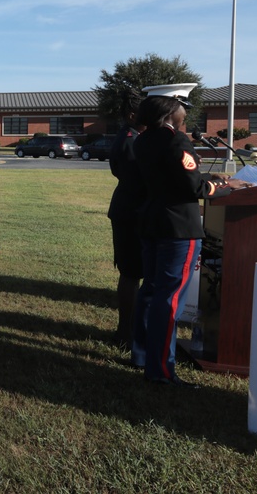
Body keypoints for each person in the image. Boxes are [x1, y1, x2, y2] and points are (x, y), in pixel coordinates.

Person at [131, 83, 247, 386]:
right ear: (172, 109)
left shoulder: (144, 140)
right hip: (178, 229)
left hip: (152, 222)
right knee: (169, 300)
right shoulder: (176, 140)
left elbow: (170, 177)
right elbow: (193, 188)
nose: (186, 114)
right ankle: (161, 371)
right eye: (184, 107)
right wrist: (225, 186)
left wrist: (209, 176)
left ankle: (142, 353)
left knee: (151, 291)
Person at [107, 90, 146, 349]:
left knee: (133, 273)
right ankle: (125, 332)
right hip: (131, 211)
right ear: (132, 115)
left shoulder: (134, 136)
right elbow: (139, 180)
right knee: (131, 273)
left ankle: (129, 329)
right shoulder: (131, 140)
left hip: (132, 209)